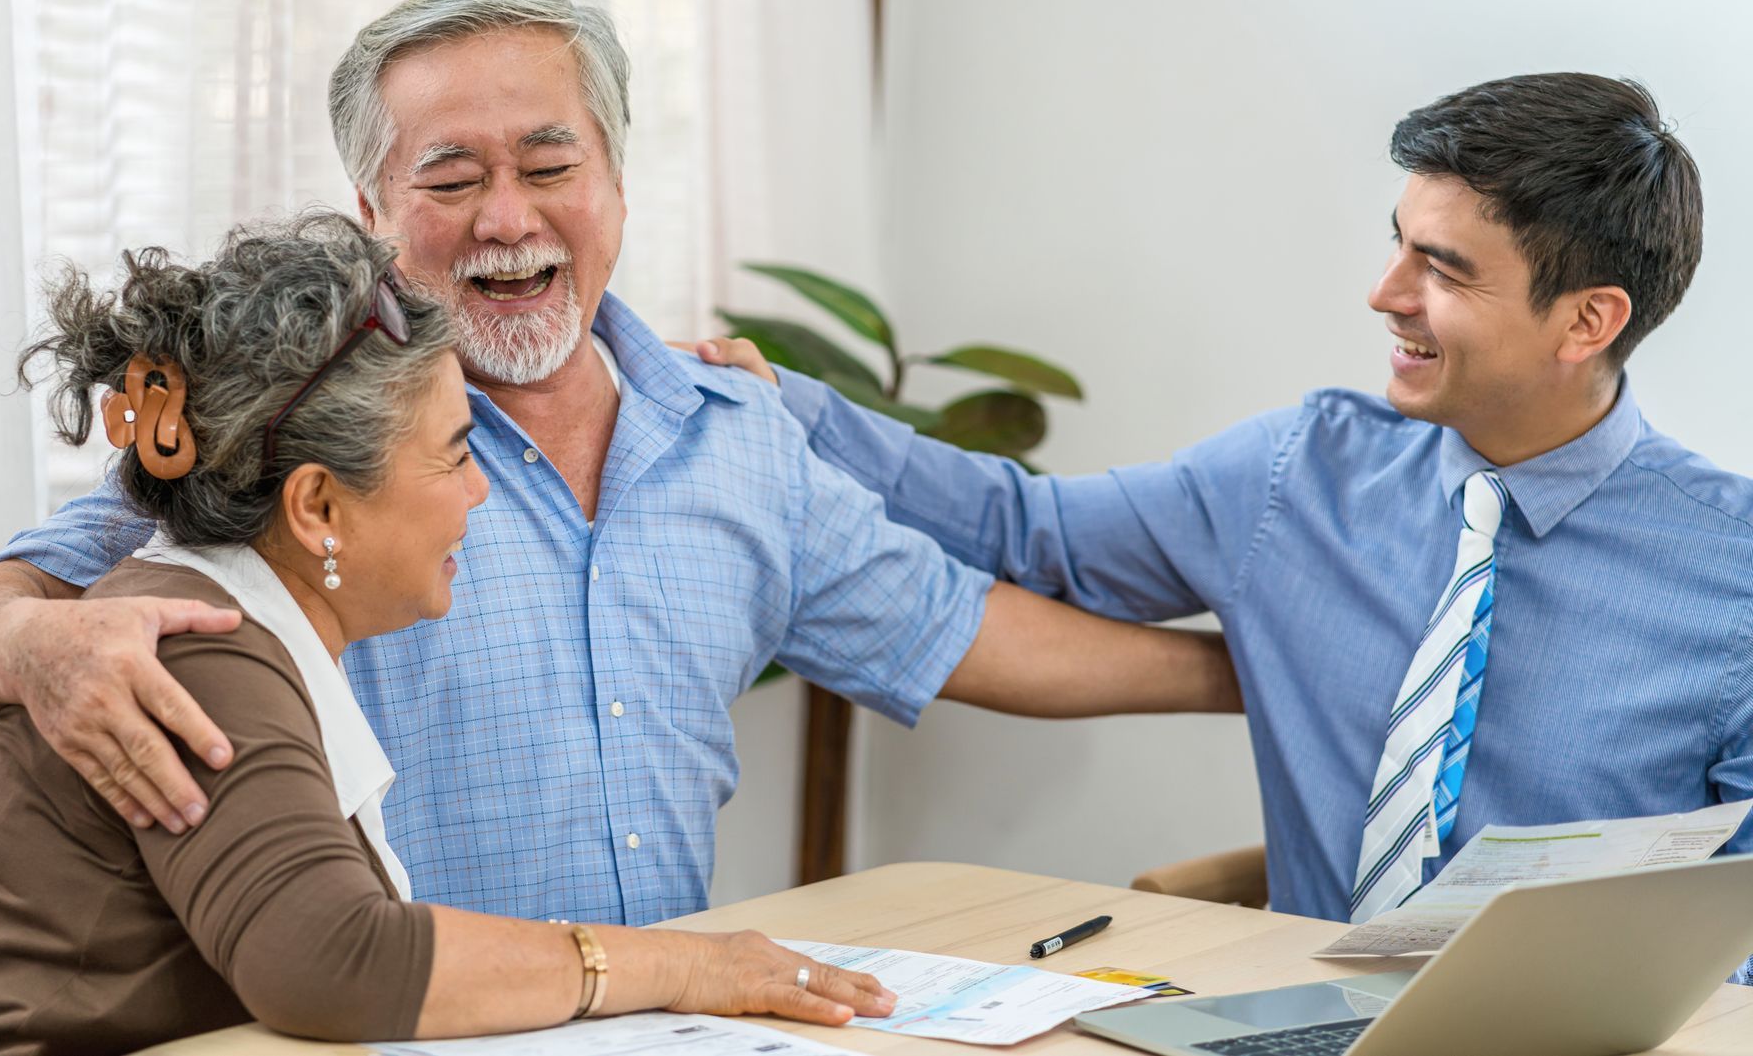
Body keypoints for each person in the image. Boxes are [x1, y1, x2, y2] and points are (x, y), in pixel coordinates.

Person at [0, 0, 1243, 928]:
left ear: (614, 177)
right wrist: (36, 646)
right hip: (375, 1021)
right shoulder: (286, 429)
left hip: (661, 1024)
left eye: (551, 163)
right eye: (449, 179)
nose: (509, 217)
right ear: (372, 214)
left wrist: (1274, 672)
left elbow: (968, 632)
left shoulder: (738, 440)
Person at [699, 73, 1753, 951]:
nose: (1385, 292)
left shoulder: (1733, 575)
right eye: (1399, 243)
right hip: (1294, 1020)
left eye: (1441, 268)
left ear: (1587, 321)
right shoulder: (1303, 474)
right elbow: (1032, 535)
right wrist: (789, 407)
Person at [0, 214, 896, 1055]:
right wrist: (685, 963)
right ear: (319, 506)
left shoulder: (233, 623)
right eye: (454, 457)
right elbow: (331, 962)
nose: (481, 494)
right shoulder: (197, 648)